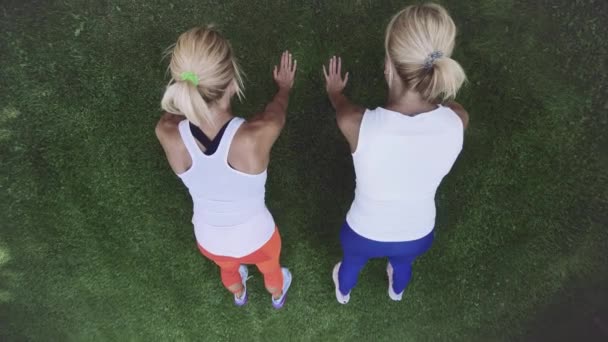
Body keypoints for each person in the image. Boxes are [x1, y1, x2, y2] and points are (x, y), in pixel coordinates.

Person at [323, 3, 469, 304]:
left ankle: (343, 291)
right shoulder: (458, 119)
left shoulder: (355, 122)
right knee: (403, 264)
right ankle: (397, 289)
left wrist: (335, 92)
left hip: (361, 232)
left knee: (351, 264)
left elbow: (342, 107)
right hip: (418, 235)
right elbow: (449, 109)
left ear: (388, 65)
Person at [155, 26, 297, 308]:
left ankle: (238, 293)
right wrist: (284, 88)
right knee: (271, 269)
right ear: (232, 80)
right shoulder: (257, 133)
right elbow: (276, 113)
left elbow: (173, 113)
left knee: (228, 269)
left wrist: (189, 92)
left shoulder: (166, 132)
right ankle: (277, 294)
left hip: (209, 239)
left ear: (181, 85)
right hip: (257, 236)